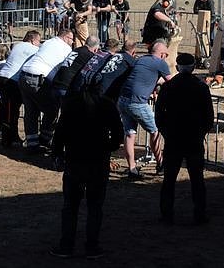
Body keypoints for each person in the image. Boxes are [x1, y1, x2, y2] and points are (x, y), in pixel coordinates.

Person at [49, 76, 124, 260]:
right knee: (95, 206)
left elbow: (60, 131)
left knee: (70, 206)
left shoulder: (72, 104)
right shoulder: (106, 105)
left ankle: (67, 244)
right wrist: (108, 148)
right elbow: (117, 133)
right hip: (98, 159)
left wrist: (57, 153)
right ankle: (92, 245)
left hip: (75, 158)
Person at [155, 53, 215, 225]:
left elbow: (159, 114)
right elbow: (209, 116)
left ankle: (167, 214)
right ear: (194, 67)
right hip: (193, 139)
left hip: (173, 138)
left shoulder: (169, 87)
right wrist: (201, 132)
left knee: (169, 179)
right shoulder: (201, 87)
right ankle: (199, 213)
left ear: (177, 67)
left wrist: (166, 132)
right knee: (197, 179)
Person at [117, 39, 172, 179]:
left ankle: (132, 168)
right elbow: (172, 82)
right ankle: (160, 164)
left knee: (129, 133)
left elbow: (143, 77)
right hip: (138, 102)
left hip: (123, 100)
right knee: (155, 131)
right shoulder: (160, 63)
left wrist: (154, 85)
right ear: (162, 54)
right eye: (166, 55)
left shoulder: (141, 59)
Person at [19, 28, 74, 152]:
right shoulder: (66, 49)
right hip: (39, 77)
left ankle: (32, 143)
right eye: (71, 39)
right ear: (65, 38)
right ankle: (45, 136)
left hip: (24, 75)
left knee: (30, 111)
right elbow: (66, 69)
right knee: (52, 109)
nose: (72, 42)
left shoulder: (48, 42)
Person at [0, 30, 41, 147]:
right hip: (11, 81)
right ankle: (10, 138)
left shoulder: (17, 46)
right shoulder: (34, 49)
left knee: (6, 108)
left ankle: (2, 133)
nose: (39, 44)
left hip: (2, 77)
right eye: (38, 41)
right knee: (12, 112)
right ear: (32, 40)